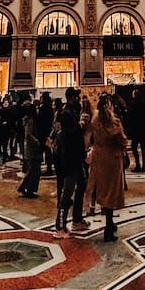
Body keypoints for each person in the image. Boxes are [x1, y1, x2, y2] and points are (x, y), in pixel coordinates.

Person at [86, 93, 128, 241]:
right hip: (112, 159)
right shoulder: (113, 121)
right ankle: (109, 226)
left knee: (103, 191)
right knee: (111, 192)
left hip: (99, 157)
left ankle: (109, 222)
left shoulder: (95, 119)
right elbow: (122, 140)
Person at [53, 87, 89, 238]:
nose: (79, 100)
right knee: (68, 190)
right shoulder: (66, 113)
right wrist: (80, 125)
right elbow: (68, 135)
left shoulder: (70, 111)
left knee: (82, 184)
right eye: (76, 97)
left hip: (76, 156)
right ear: (72, 98)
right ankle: (60, 226)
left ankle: (77, 219)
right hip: (69, 158)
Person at [17, 101, 42, 198]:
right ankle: (29, 189)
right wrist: (37, 141)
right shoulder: (30, 121)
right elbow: (28, 135)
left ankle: (25, 187)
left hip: (29, 147)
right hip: (32, 148)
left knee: (32, 169)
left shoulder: (26, 120)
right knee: (34, 169)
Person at [128, 89, 145, 172]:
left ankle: (138, 165)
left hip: (136, 129)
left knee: (134, 147)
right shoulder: (144, 104)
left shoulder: (133, 104)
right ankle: (144, 167)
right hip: (143, 129)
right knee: (143, 148)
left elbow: (131, 117)